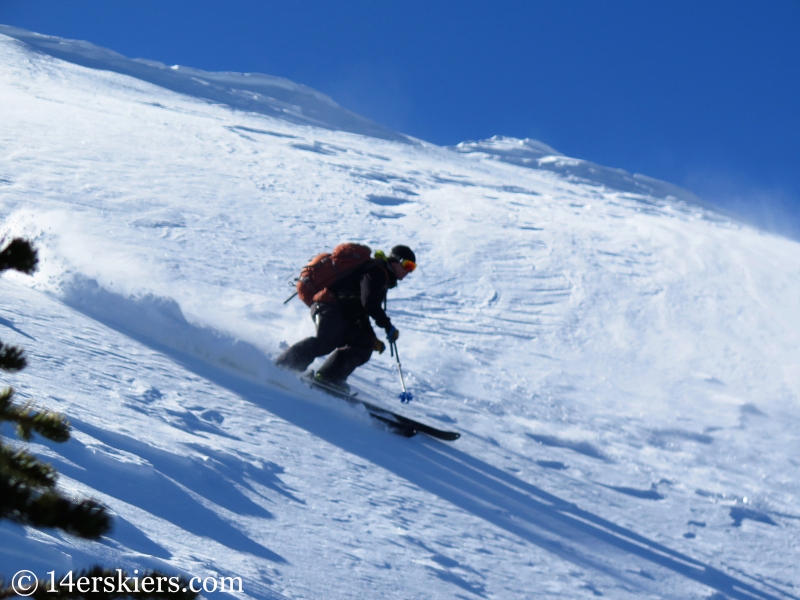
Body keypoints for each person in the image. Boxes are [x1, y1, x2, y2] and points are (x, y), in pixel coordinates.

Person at [276, 245, 417, 392]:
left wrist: (371, 336)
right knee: (327, 341)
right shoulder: (377, 271)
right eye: (407, 265)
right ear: (395, 261)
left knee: (364, 343)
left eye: (412, 267)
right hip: (328, 304)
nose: (409, 271)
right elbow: (368, 303)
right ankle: (285, 365)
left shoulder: (383, 277)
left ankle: (329, 377)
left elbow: (361, 311)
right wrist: (387, 326)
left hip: (340, 311)